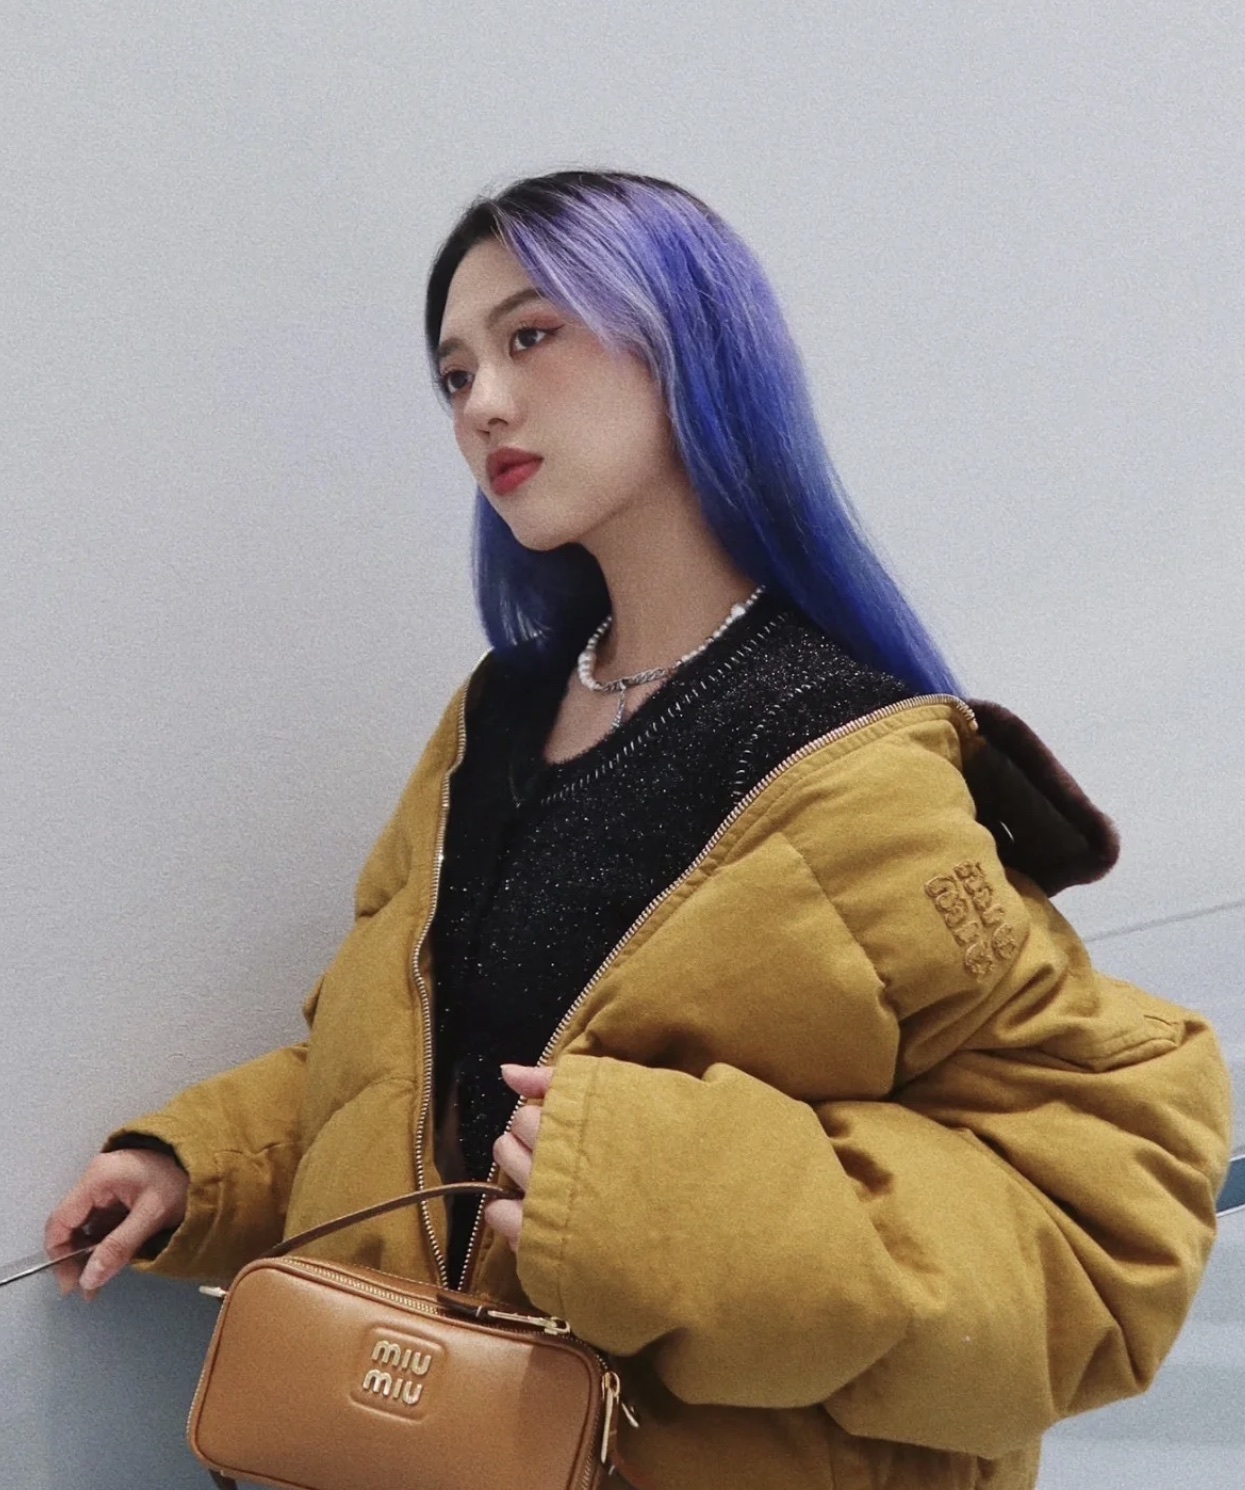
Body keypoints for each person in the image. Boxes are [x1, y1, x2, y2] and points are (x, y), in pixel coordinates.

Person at [47, 170, 1231, 1490]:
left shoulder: (841, 752)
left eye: (530, 336)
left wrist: (656, 1198)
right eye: (454, 373)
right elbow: (419, 1067)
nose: (482, 403)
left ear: (686, 345)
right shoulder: (496, 717)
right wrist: (197, 1168)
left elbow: (1096, 1243)